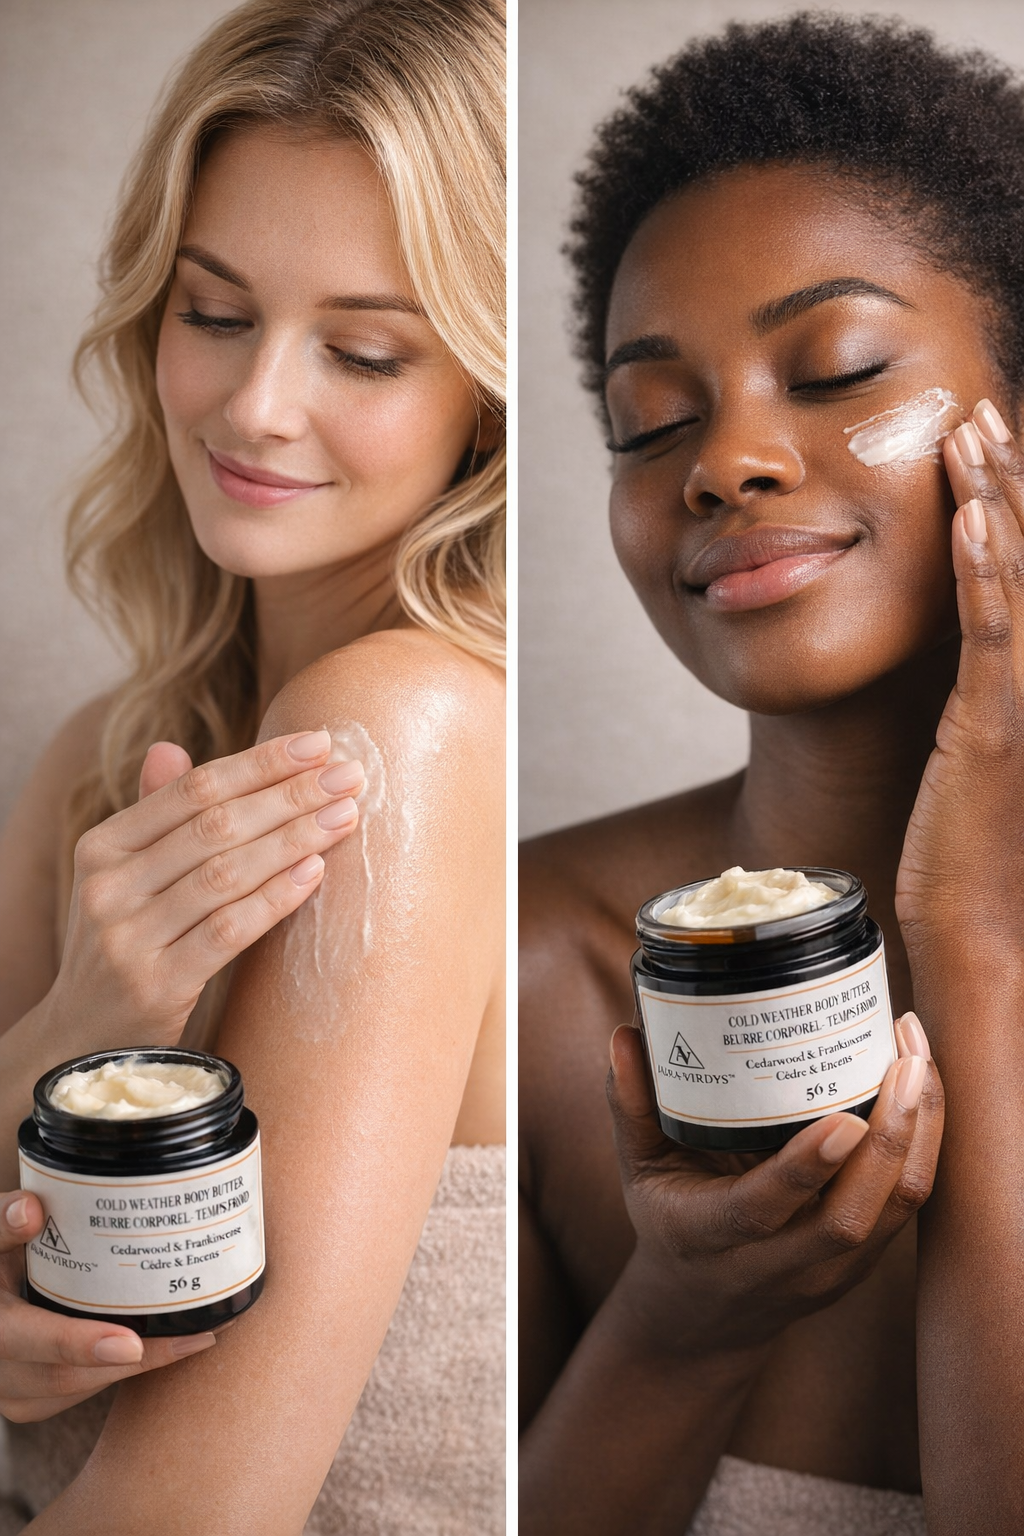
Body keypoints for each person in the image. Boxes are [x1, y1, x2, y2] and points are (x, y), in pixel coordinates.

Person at [0, 0, 505, 1531]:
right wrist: (83, 1020)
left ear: (480, 395)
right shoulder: (105, 758)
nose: (256, 407)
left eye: (363, 350)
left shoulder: (398, 739)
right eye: (215, 313)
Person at [519, 14, 1024, 1535]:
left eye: (839, 370)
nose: (721, 462)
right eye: (649, 419)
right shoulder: (544, 965)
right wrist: (682, 1323)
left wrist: (973, 948)